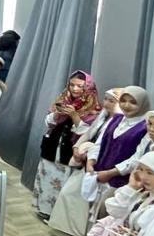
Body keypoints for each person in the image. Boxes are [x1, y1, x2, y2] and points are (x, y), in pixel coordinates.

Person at [50, 86, 153, 236]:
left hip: (117, 179)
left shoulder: (145, 128)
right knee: (81, 201)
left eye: (133, 102)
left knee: (101, 212)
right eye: (123, 101)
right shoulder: (116, 119)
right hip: (97, 170)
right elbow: (99, 143)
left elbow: (137, 158)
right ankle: (76, 234)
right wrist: (91, 161)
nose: (126, 105)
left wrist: (112, 172)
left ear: (143, 104)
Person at [33, 70, 103, 220]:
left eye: (80, 86)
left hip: (70, 153)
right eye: (72, 85)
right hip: (52, 147)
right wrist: (58, 113)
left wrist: (74, 115)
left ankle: (56, 216)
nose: (75, 89)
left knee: (63, 183)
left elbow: (88, 133)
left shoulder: (93, 108)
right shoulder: (63, 99)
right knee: (47, 178)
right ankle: (43, 209)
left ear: (88, 87)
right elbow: (48, 122)